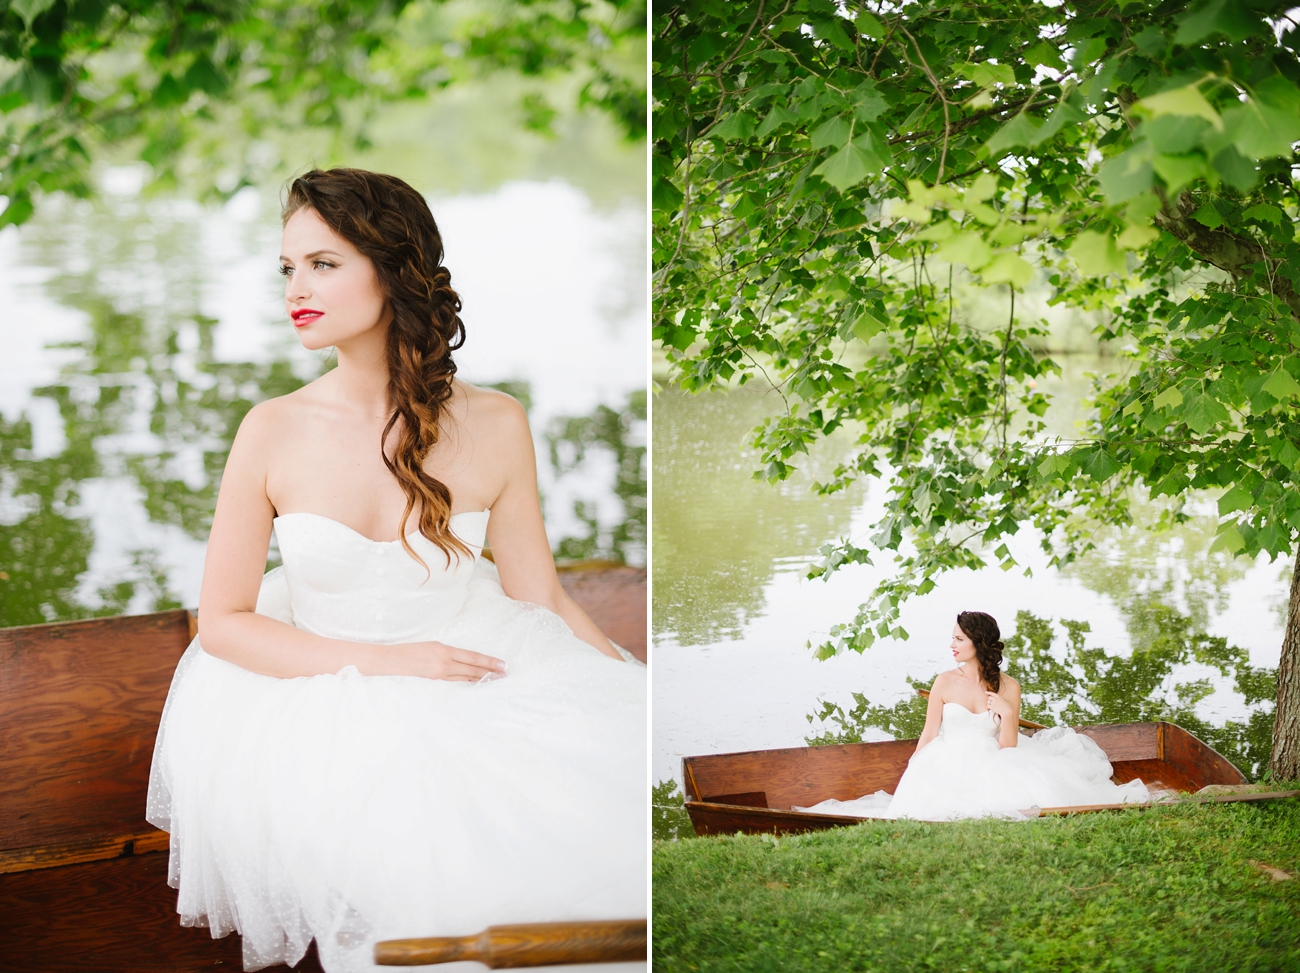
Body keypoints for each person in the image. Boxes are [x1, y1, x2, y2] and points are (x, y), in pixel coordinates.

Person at [145, 168, 646, 972]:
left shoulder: (496, 420)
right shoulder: (271, 429)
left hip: (477, 667)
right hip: (315, 696)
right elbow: (226, 622)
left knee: (575, 833)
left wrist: (627, 689)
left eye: (323, 263)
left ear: (394, 269)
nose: (295, 289)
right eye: (288, 268)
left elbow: (539, 591)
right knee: (413, 846)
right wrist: (387, 663)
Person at [796, 611, 1149, 821]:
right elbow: (929, 733)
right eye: (952, 638)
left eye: (959, 639)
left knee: (1016, 797)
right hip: (946, 758)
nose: (951, 645)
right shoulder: (944, 682)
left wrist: (1009, 713)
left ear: (978, 644)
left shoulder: (1009, 686)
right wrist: (915, 767)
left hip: (996, 758)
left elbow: (1008, 745)